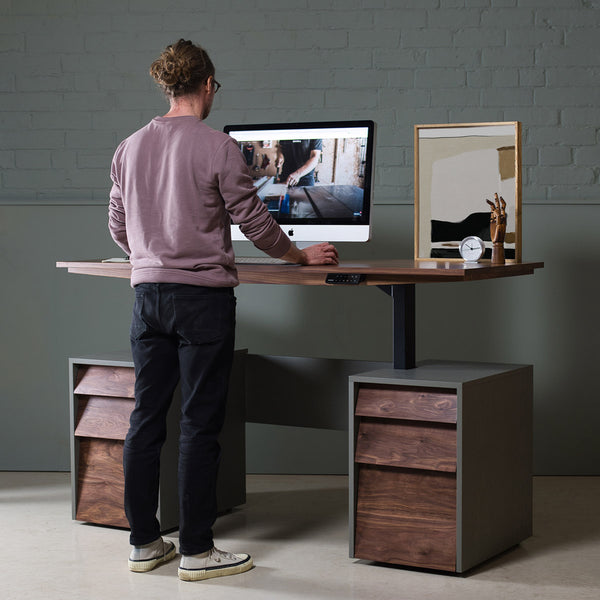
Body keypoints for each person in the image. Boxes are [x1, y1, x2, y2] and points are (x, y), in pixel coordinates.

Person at [108, 39, 338, 583]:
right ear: (208, 85)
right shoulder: (216, 147)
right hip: (202, 302)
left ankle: (144, 543)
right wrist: (299, 256)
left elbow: (119, 228)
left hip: (147, 299)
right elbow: (256, 223)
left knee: (145, 417)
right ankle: (197, 550)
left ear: (168, 86)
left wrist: (152, 254)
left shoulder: (128, 147)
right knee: (200, 424)